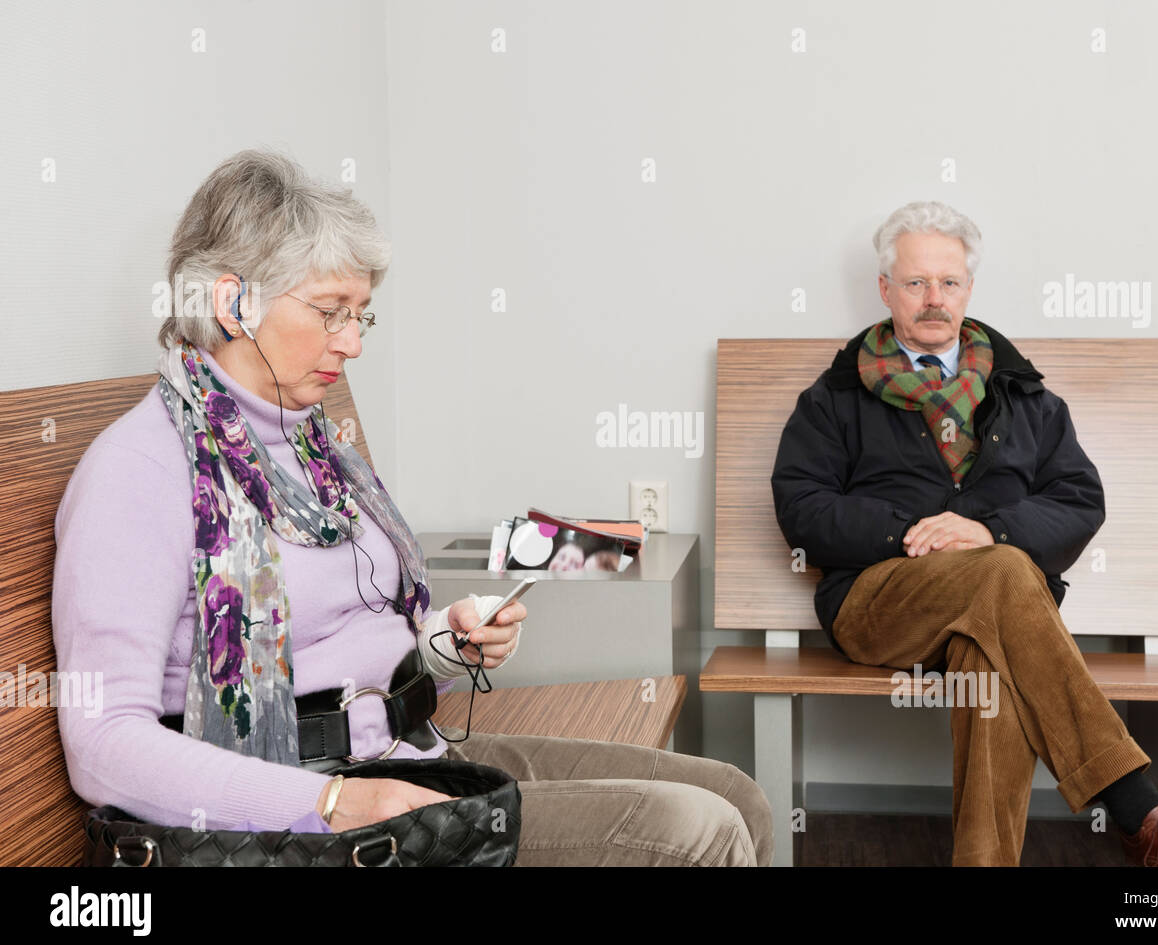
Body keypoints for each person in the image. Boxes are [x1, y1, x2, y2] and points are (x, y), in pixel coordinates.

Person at [52, 148, 770, 866]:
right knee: (691, 830)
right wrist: (330, 805)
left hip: (407, 752)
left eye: (362, 315)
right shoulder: (138, 471)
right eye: (332, 313)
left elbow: (343, 648)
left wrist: (442, 644)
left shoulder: (310, 446)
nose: (354, 343)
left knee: (737, 795)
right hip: (305, 806)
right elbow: (104, 743)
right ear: (232, 303)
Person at [770, 200, 1158, 867]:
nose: (934, 299)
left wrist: (987, 530)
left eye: (949, 283)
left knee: (990, 655)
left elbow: (1080, 500)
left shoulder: (1025, 394)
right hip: (878, 606)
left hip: (999, 616)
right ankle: (1143, 813)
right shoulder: (836, 396)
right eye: (915, 283)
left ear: (969, 288)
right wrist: (917, 533)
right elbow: (802, 508)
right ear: (884, 289)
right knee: (1006, 573)